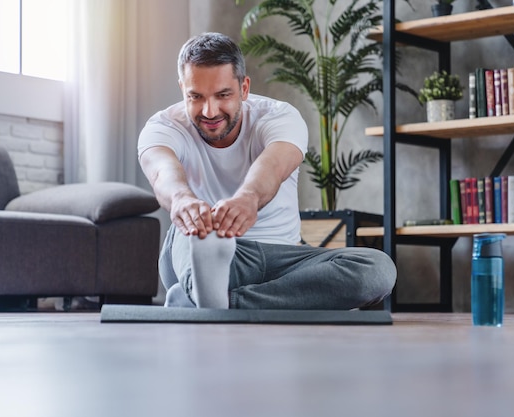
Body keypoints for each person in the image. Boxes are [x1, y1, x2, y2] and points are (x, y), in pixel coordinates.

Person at [138, 32, 396, 310]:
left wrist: (248, 198)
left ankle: (209, 304)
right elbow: (163, 171)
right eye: (196, 97)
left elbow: (273, 164)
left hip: (280, 258)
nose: (209, 111)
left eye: (223, 95)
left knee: (376, 269)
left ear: (244, 88)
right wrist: (181, 200)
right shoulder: (164, 126)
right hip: (200, 246)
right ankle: (210, 290)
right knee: (191, 234)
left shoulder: (279, 117)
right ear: (182, 89)